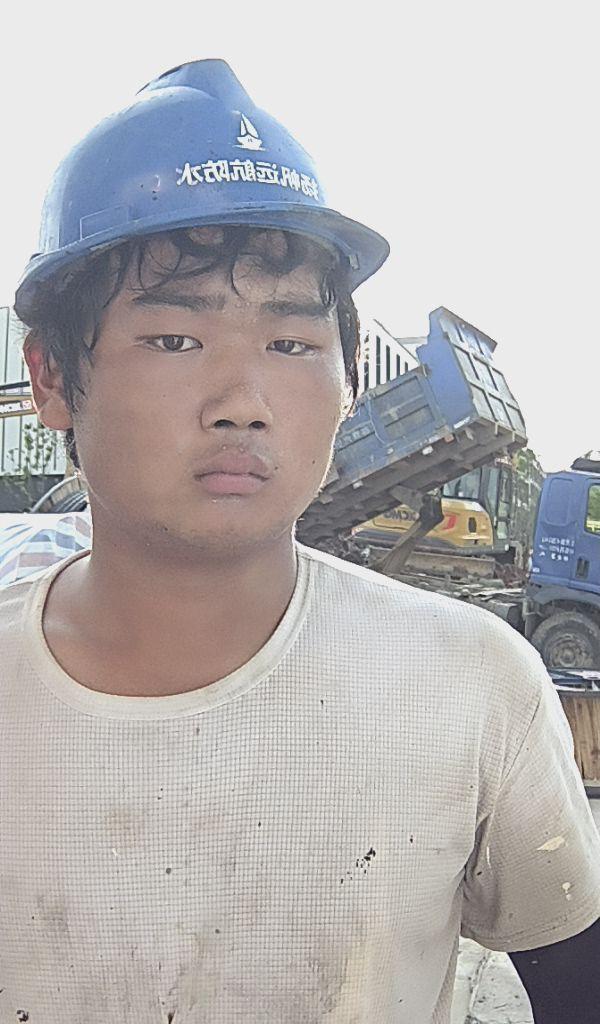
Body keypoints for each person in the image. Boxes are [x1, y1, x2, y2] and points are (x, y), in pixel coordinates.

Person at [1, 59, 599, 1024]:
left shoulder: (473, 686)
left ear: (347, 381)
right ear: (54, 377)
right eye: (175, 340)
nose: (243, 402)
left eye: (291, 344)